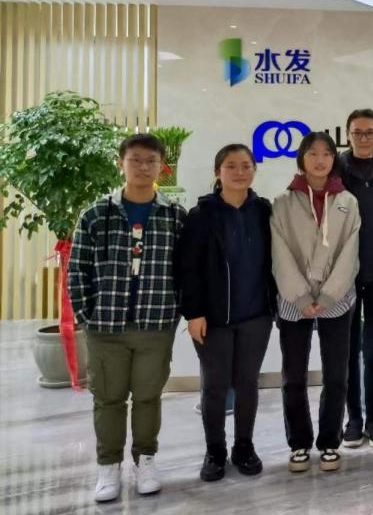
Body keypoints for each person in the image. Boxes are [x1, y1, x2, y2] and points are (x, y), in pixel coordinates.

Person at [68, 133, 188, 503]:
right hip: (106, 327)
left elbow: (186, 270)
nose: (143, 167)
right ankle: (108, 466)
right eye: (135, 159)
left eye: (151, 161)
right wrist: (87, 315)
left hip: (155, 325)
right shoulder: (96, 214)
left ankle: (145, 461)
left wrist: (174, 311)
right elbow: (77, 270)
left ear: (161, 167)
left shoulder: (174, 216)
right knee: (109, 399)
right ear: (121, 163)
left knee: (149, 397)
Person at [178, 144, 276, 482]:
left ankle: (244, 447)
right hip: (214, 319)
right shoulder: (202, 215)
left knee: (248, 384)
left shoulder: (264, 212)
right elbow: (188, 269)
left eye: (246, 165)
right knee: (215, 387)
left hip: (257, 315)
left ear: (254, 171)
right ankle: (215, 451)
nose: (239, 172)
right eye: (231, 166)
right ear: (217, 172)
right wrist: (194, 313)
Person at [272, 131, 361, 474]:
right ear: (302, 158)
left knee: (336, 375)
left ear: (334, 159)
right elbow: (279, 253)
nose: (320, 159)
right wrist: (300, 295)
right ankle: (298, 443)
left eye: (326, 153)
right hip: (293, 301)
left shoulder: (347, 201)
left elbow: (350, 252)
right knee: (294, 377)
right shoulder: (283, 202)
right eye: (312, 153)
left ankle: (329, 442)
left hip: (336, 300)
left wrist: (326, 295)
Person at [336, 109, 373, 449]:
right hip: (343, 276)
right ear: (348, 134)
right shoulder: (336, 170)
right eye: (357, 132)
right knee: (347, 350)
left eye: (369, 132)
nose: (363, 138)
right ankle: (353, 419)